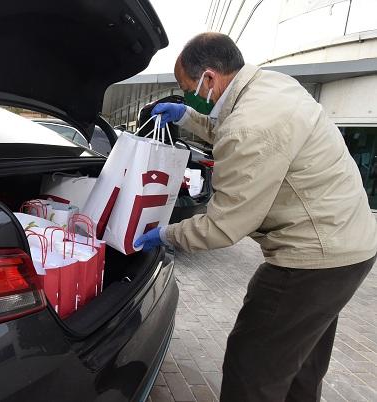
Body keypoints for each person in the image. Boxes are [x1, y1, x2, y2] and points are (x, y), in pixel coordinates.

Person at [134, 33, 377, 401]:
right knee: (300, 361)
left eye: (187, 90)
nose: (188, 96)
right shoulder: (271, 85)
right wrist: (188, 117)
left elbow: (224, 226)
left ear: (210, 78)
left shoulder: (250, 126)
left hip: (310, 260)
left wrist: (167, 235)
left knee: (252, 368)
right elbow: (228, 125)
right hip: (349, 246)